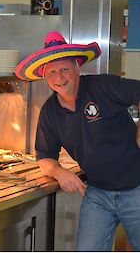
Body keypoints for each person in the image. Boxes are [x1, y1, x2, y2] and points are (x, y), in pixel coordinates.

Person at [15, 31, 140, 251]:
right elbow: (44, 156)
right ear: (45, 76)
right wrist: (59, 172)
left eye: (64, 69)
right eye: (52, 72)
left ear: (77, 67)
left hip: (136, 188)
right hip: (97, 194)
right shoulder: (49, 112)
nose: (59, 77)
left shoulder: (103, 87)